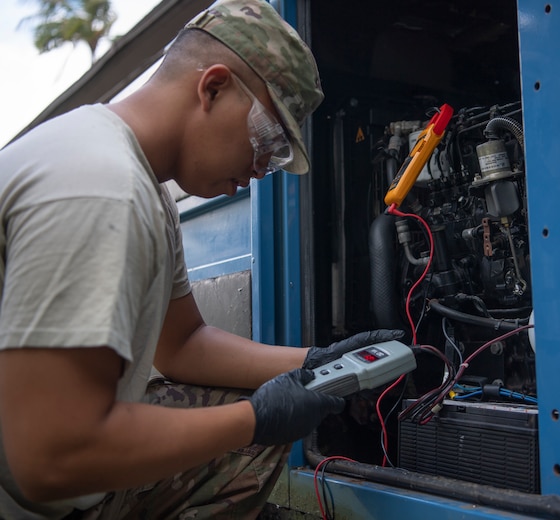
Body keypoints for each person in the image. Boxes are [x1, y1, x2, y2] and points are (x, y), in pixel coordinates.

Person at [0, 0, 404, 518]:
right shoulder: (104, 189)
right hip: (31, 490)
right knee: (248, 433)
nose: (264, 168)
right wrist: (254, 420)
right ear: (212, 87)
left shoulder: (131, 176)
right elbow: (49, 456)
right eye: (268, 138)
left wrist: (314, 362)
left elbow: (182, 344)